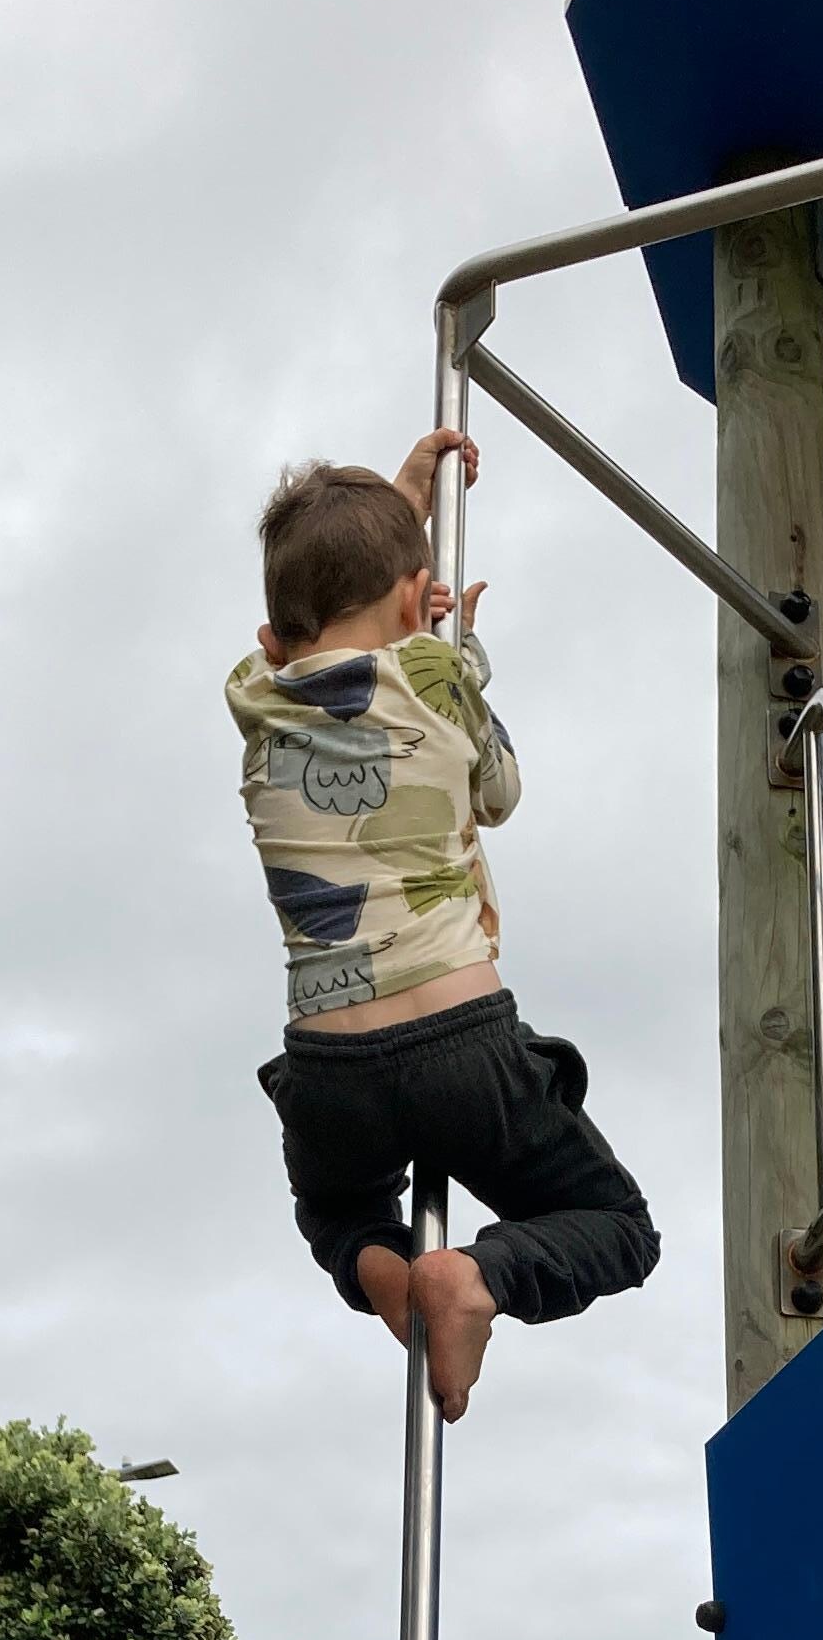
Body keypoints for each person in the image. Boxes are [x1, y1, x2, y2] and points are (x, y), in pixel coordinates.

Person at [230, 432, 659, 1422]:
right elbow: (500, 794)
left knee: (337, 1211)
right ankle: (476, 1277)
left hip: (329, 1070)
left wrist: (395, 521)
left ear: (272, 641)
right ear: (413, 600)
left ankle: (381, 1267)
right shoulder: (438, 677)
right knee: (617, 1223)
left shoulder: (255, 705)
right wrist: (459, 654)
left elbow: (323, 622)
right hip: (462, 1047)